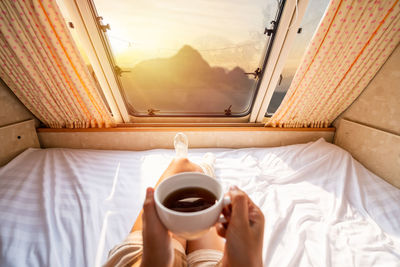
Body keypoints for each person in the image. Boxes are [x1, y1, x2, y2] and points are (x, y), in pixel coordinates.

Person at [103, 134, 265, 267]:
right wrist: (248, 262)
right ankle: (204, 172)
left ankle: (187, 162)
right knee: (197, 190)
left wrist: (154, 260)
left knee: (180, 165)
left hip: (144, 259)